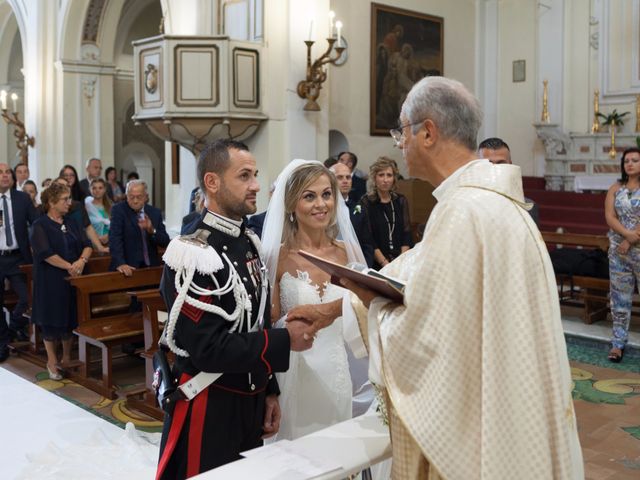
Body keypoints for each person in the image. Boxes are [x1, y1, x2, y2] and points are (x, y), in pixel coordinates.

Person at [291, 77, 584, 479]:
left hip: (484, 422)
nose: (399, 144)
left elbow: (427, 335)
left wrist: (372, 308)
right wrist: (336, 307)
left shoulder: (464, 211)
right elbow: (413, 273)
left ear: (427, 132)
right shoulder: (488, 203)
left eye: (402, 132)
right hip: (513, 401)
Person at [156, 139, 313, 478]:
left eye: (255, 175)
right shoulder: (193, 253)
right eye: (244, 176)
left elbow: (253, 324)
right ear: (212, 182)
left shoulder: (249, 242)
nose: (256, 185)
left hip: (249, 398)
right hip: (210, 403)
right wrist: (285, 341)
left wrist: (268, 391)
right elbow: (208, 348)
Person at [261, 160, 369, 441]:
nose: (321, 204)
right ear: (291, 205)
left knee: (337, 449)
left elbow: (364, 308)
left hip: (336, 371)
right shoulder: (277, 257)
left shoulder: (348, 254)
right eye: (309, 196)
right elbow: (268, 323)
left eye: (326, 194)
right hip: (294, 372)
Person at [30, 182, 92, 379]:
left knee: (69, 318)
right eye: (65, 199)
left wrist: (82, 260)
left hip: (73, 279)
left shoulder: (72, 222)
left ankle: (66, 357)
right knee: (51, 321)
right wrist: (70, 266)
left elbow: (87, 244)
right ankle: (52, 360)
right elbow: (46, 254)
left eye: (69, 198)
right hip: (50, 280)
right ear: (51, 202)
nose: (69, 202)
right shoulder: (40, 225)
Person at [0, 162, 40, 362]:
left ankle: (9, 331)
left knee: (26, 297)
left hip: (18, 257)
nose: (5, 175)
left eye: (7, 172)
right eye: (0, 172)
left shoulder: (22, 198)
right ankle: (2, 344)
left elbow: (37, 223)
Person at [604, 147, 640, 363]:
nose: (630, 164)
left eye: (635, 160)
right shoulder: (615, 188)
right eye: (627, 160)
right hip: (619, 253)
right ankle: (617, 344)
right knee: (619, 299)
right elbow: (610, 216)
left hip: (635, 248)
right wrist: (626, 235)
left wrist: (630, 239)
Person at [360, 157, 412, 269]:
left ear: (394, 178)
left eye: (389, 175)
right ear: (374, 178)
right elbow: (368, 238)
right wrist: (385, 264)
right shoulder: (366, 202)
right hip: (377, 263)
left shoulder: (401, 200)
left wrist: (400, 263)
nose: (385, 179)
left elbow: (406, 233)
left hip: (400, 262)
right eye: (381, 175)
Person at [109, 180, 169, 276]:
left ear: (145, 197)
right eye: (131, 197)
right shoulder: (118, 210)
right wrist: (121, 263)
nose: (135, 201)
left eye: (139, 197)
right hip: (128, 268)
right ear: (126, 196)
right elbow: (114, 239)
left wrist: (151, 230)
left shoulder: (154, 213)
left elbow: (165, 241)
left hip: (151, 268)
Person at [479, 137, 540, 226]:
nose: (495, 169)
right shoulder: (467, 203)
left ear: (510, 166)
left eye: (501, 164)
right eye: (489, 163)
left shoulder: (528, 207)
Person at [330, 162, 374, 267]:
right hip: (333, 264)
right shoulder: (325, 209)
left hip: (358, 265)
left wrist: (366, 268)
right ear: (331, 181)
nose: (345, 181)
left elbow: (367, 243)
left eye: (348, 177)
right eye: (339, 177)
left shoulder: (359, 208)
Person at [84, 178, 112, 247]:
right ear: (90, 189)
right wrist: (96, 238)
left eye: (100, 188)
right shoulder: (86, 207)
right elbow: (84, 227)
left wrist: (108, 236)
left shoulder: (111, 206)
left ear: (104, 189)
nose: (97, 190)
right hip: (92, 244)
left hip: (110, 243)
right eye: (94, 188)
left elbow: (116, 226)